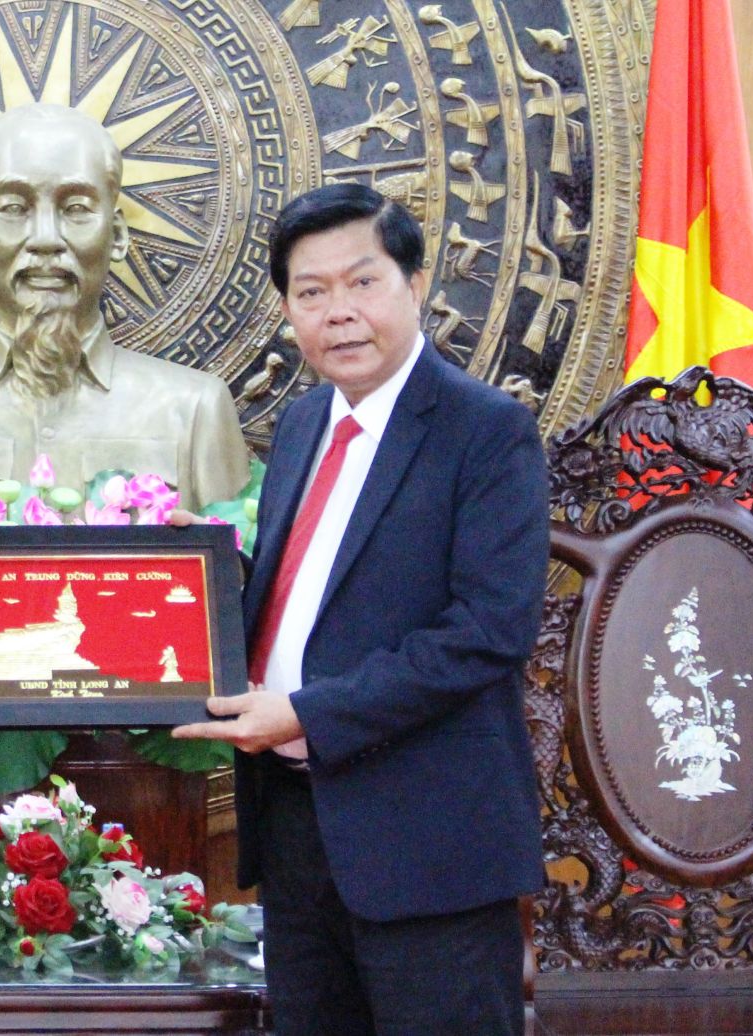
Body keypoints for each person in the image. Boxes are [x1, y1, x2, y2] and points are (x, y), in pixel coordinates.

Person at [173, 182, 548, 1034]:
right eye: (311, 293)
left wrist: (305, 712)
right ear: (288, 309)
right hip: (299, 831)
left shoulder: (486, 432)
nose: (338, 312)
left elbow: (486, 634)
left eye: (362, 282)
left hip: (429, 841)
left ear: (415, 286)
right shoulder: (306, 423)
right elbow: (303, 601)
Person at [0, 103, 248, 510]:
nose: (45, 239)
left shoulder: (197, 411)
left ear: (118, 233)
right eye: (14, 209)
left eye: (76, 209)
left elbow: (229, 568)